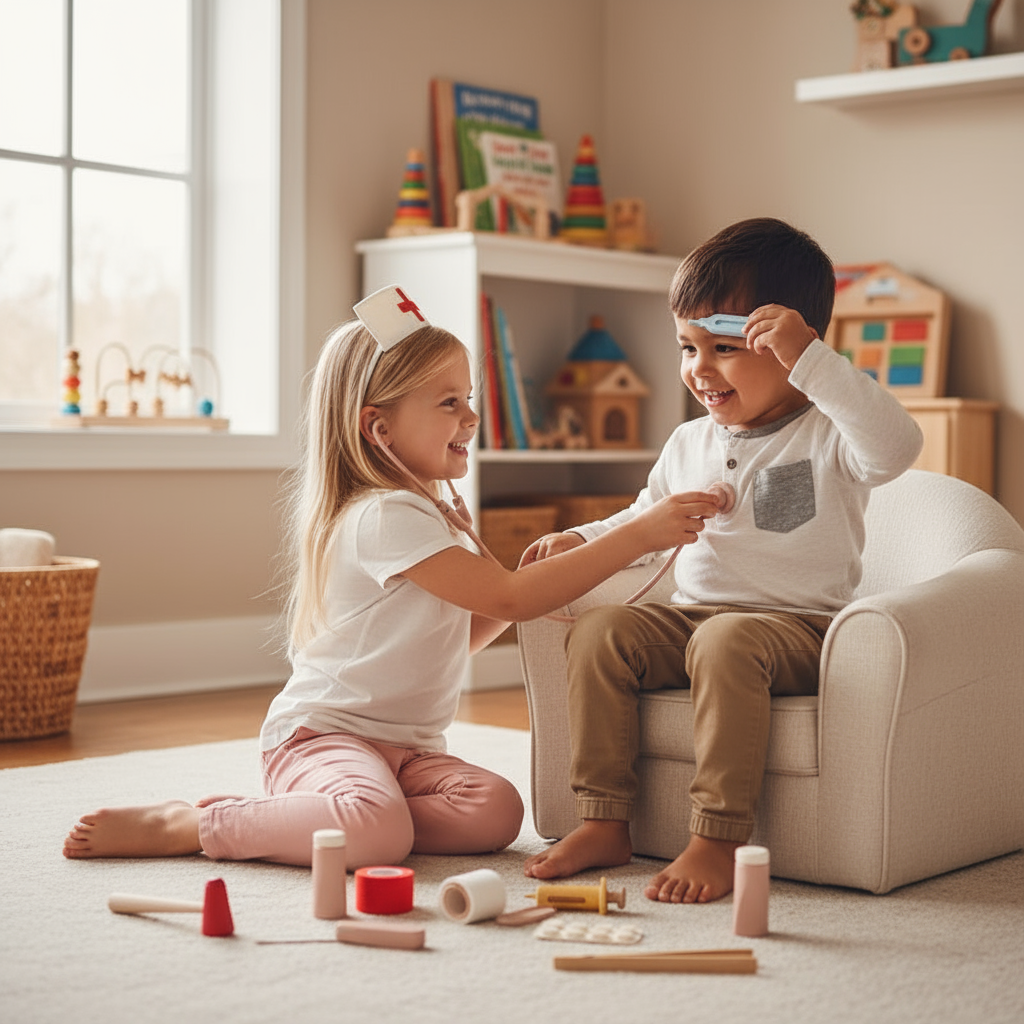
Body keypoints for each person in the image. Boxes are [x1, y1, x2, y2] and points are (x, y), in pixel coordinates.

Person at [63, 284, 719, 869]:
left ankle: (332, 817)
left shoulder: (427, 510)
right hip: (323, 738)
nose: (470, 416)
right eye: (449, 402)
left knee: (495, 810)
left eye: (470, 399)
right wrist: (638, 532)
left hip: (403, 754)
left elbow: (465, 628)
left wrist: (542, 579)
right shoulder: (385, 516)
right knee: (378, 832)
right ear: (378, 429)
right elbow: (512, 601)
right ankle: (195, 824)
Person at [521, 218, 924, 904]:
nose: (699, 369)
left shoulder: (829, 434)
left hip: (797, 629)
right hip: (694, 620)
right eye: (686, 346)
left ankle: (716, 836)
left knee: (727, 638)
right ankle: (602, 817)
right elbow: (640, 514)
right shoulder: (687, 441)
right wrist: (585, 538)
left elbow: (897, 446)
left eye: (724, 348)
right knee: (601, 631)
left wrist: (814, 363)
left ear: (788, 345)